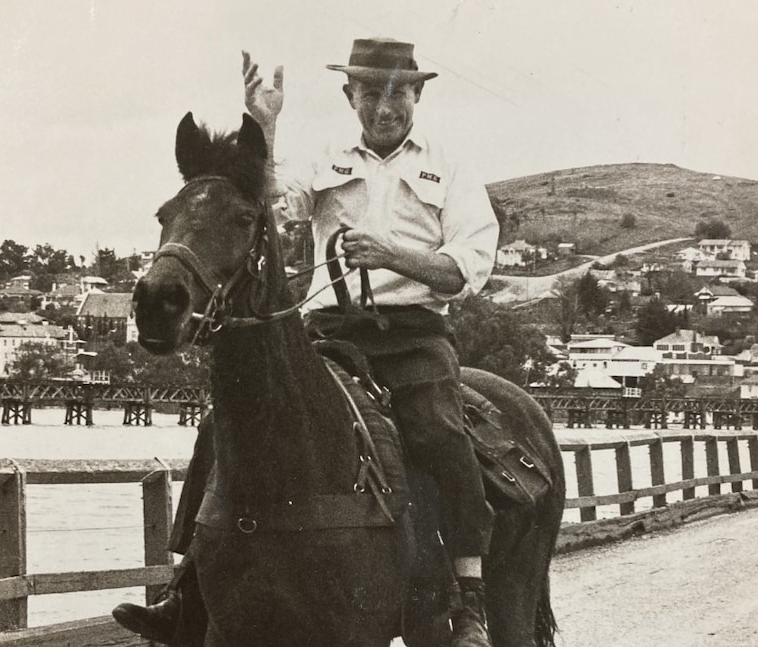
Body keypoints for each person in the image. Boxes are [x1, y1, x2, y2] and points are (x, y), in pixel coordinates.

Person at [114, 37, 499, 647]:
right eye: (370, 91)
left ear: (418, 94)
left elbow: (469, 267)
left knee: (438, 432)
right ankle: (186, 586)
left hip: (412, 336)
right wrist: (264, 125)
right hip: (324, 331)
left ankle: (466, 598)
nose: (384, 104)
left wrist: (394, 254)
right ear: (351, 96)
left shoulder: (449, 167)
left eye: (398, 90)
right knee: (220, 426)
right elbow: (264, 202)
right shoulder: (325, 156)